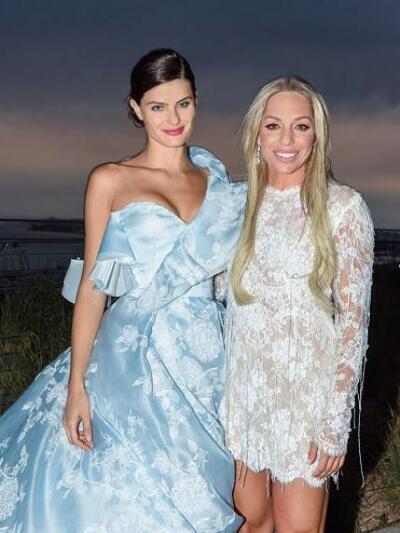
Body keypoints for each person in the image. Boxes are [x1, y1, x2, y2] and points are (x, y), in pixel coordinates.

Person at [0, 49, 246, 532]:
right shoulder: (111, 179)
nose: (173, 119)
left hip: (206, 360)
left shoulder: (215, 179)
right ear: (136, 108)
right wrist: (76, 387)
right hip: (131, 358)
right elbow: (94, 288)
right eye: (158, 106)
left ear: (196, 101)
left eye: (183, 104)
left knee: (200, 488)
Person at [222, 76, 374, 532]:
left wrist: (334, 422)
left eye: (301, 126)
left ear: (317, 134)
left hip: (304, 403)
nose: (286, 140)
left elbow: (353, 325)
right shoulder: (235, 205)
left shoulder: (343, 207)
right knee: (249, 523)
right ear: (257, 134)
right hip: (244, 397)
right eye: (273, 126)